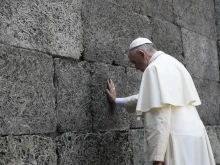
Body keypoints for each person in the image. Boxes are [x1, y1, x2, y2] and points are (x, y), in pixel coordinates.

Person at [106, 38, 215, 165]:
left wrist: (157, 158)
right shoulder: (174, 62)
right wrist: (116, 101)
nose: (136, 68)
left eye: (134, 62)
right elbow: (151, 98)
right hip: (196, 136)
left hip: (176, 139)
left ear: (142, 54)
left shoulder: (153, 68)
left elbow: (160, 117)